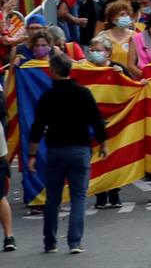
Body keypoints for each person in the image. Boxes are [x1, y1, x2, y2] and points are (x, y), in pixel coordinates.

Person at [25, 52, 105, 255]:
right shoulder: (84, 93)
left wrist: (32, 155)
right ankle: (75, 242)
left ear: (52, 72)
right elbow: (97, 121)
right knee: (79, 196)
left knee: (53, 197)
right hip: (79, 150)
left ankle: (50, 242)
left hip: (55, 151)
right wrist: (103, 143)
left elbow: (37, 128)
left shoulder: (47, 97)